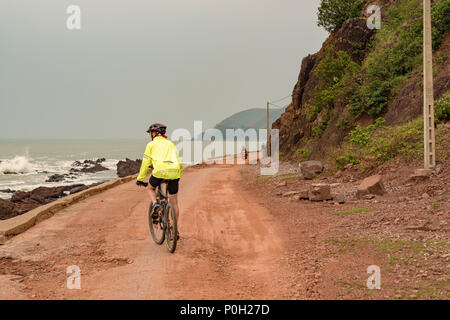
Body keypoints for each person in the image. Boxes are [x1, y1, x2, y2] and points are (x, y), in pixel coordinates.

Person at [136, 123, 183, 239]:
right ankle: (174, 229)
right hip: (175, 172)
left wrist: (140, 179)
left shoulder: (151, 144)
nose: (149, 136)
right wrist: (178, 175)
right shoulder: (171, 143)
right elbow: (178, 160)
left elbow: (145, 163)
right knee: (174, 202)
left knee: (151, 188)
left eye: (150, 133)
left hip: (160, 172)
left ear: (154, 133)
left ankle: (156, 204)